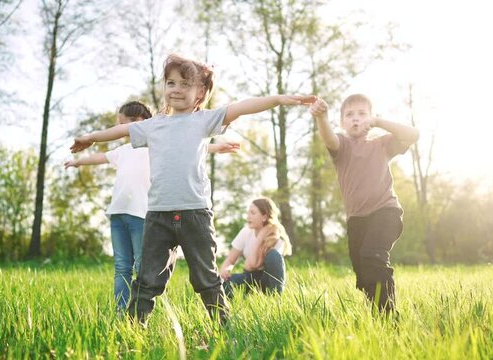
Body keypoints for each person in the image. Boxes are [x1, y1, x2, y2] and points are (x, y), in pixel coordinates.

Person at [70, 53, 315, 324]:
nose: (176, 89)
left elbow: (243, 106)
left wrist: (279, 99)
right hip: (158, 215)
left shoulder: (204, 120)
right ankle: (134, 329)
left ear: (200, 92)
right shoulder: (153, 126)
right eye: (171, 83)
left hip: (195, 214)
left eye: (185, 84)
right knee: (147, 279)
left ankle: (224, 326)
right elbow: (121, 132)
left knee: (205, 277)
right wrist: (91, 138)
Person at [64, 100, 239, 312]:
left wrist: (215, 147)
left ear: (138, 122)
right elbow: (101, 157)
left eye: (122, 124)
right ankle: (122, 311)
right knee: (121, 266)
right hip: (118, 213)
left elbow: (184, 146)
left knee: (144, 266)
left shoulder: (153, 143)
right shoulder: (123, 150)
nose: (120, 129)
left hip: (142, 213)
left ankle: (144, 306)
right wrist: (78, 162)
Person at [310, 94, 419, 313]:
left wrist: (379, 122)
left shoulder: (382, 144)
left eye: (362, 114)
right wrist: (322, 118)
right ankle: (377, 315)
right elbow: (329, 139)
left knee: (373, 258)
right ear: (342, 122)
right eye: (349, 115)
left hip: (385, 213)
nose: (355, 119)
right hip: (356, 221)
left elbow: (413, 134)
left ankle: (389, 319)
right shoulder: (342, 145)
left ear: (370, 118)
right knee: (363, 273)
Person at [219, 197, 292, 298]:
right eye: (248, 213)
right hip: (250, 277)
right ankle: (232, 306)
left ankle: (276, 299)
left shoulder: (276, 237)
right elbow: (231, 260)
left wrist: (260, 236)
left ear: (264, 216)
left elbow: (251, 264)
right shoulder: (245, 232)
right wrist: (225, 270)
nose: (248, 217)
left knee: (273, 255)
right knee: (222, 283)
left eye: (253, 213)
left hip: (267, 280)